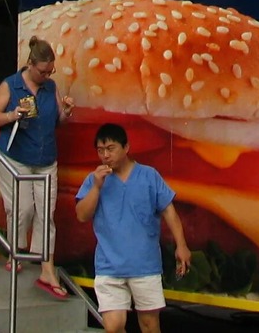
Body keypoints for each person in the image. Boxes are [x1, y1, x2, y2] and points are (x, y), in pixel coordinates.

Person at [75, 123, 191, 333]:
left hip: (145, 265)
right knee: (113, 326)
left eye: (110, 149)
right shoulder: (94, 180)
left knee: (149, 325)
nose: (105, 155)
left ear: (126, 147)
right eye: (100, 150)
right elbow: (82, 215)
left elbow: (169, 212)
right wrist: (97, 187)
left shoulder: (149, 175)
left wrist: (181, 245)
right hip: (109, 266)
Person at [0, 35, 75, 297]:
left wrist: (66, 111)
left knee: (46, 213)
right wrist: (12, 115)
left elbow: (58, 121)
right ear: (31, 64)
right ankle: (15, 252)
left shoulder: (51, 87)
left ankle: (46, 267)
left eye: (50, 71)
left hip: (46, 158)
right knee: (22, 208)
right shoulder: (10, 85)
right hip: (15, 157)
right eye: (43, 71)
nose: (47, 76)